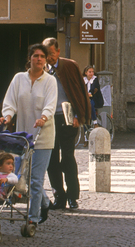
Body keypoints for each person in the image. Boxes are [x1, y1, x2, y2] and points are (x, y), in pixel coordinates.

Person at [0, 43, 56, 228]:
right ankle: (45, 203)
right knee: (24, 176)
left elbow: (50, 104)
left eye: (42, 56)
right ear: (29, 58)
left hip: (43, 136)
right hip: (23, 138)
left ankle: (33, 218)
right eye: (35, 56)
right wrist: (7, 116)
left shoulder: (50, 81)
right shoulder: (19, 79)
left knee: (36, 179)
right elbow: (10, 102)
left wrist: (43, 118)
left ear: (46, 60)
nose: (39, 59)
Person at [43, 37, 90, 211]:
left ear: (58, 51)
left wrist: (79, 115)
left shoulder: (69, 66)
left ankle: (72, 196)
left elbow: (79, 91)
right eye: (46, 54)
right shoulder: (41, 69)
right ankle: (59, 196)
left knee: (68, 158)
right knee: (52, 159)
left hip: (68, 118)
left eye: (51, 54)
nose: (49, 58)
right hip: (49, 119)